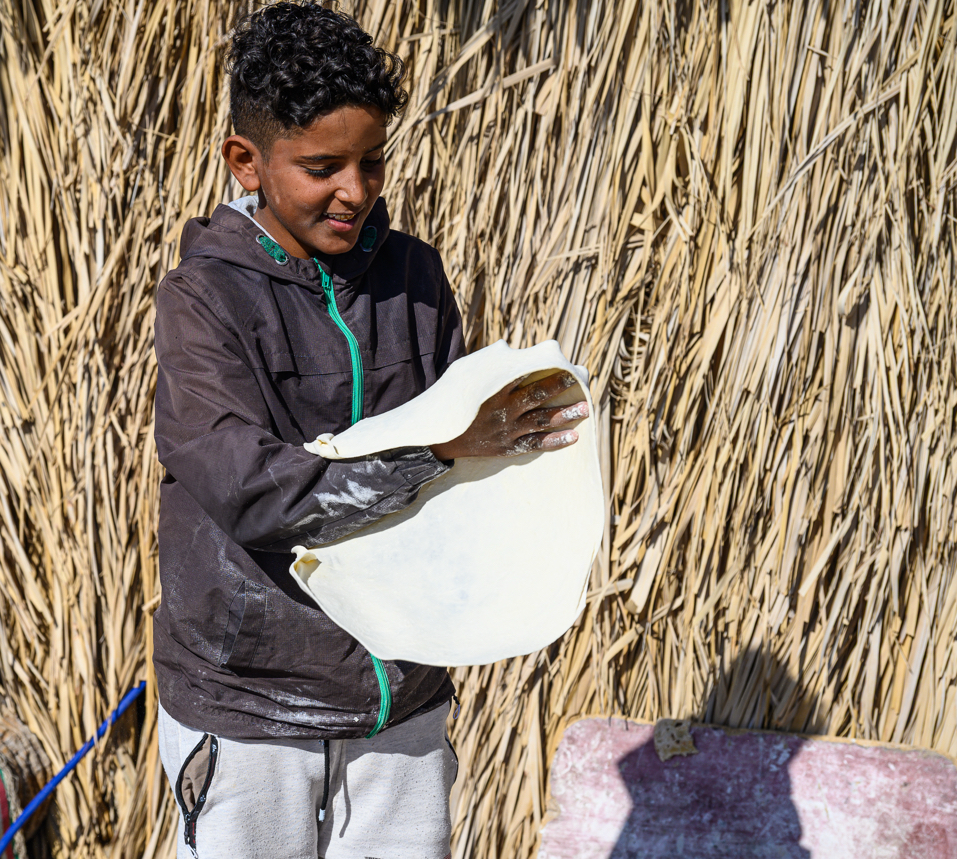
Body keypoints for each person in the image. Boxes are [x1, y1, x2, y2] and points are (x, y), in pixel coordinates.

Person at [151, 3, 589, 857]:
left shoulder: (415, 277)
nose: (355, 190)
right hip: (254, 702)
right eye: (323, 166)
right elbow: (252, 489)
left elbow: (470, 469)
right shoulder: (204, 301)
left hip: (403, 690)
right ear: (248, 162)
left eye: (372, 161)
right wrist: (438, 452)